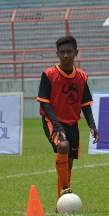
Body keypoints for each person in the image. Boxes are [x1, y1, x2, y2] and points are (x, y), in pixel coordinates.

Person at [37, 35, 99, 202]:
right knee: (62, 146)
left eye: (69, 52)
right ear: (57, 54)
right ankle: (65, 189)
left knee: (69, 164)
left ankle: (62, 202)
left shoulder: (82, 77)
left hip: (72, 123)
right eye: (62, 52)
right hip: (53, 121)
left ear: (76, 53)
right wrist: (56, 125)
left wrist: (92, 125)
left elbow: (85, 103)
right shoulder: (49, 74)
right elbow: (44, 103)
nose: (66, 55)